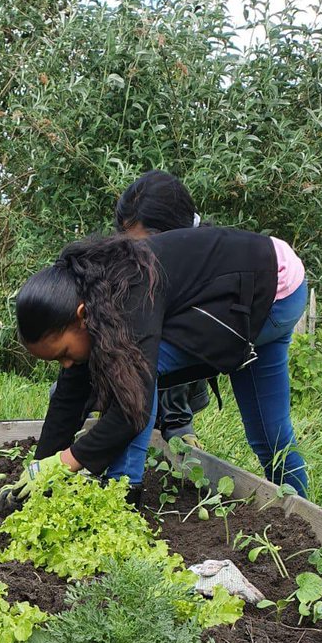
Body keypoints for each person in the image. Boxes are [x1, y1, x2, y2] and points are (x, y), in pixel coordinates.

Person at [0, 225, 307, 510]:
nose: (66, 364)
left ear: (81, 316)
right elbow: (70, 392)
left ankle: (120, 492)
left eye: (64, 353)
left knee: (132, 370)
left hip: (264, 291)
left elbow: (132, 408)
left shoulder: (126, 298)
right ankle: (302, 515)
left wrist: (63, 463)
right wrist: (38, 469)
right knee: (270, 433)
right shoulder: (94, 297)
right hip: (277, 280)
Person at [114, 170, 210, 443]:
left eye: (146, 242)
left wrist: (178, 421)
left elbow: (190, 343)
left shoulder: (203, 265)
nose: (140, 253)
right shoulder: (131, 260)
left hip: (179, 386)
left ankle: (177, 426)